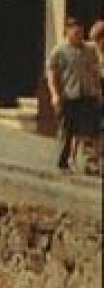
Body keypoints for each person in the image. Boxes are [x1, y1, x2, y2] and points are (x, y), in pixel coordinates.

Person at [47, 17, 102, 174]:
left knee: (90, 131)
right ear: (67, 32)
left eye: (81, 32)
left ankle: (90, 165)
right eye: (76, 32)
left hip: (88, 95)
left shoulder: (90, 50)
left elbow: (95, 72)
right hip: (69, 97)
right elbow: (51, 73)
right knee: (67, 131)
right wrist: (54, 94)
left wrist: (98, 92)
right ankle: (63, 162)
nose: (79, 35)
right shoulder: (59, 50)